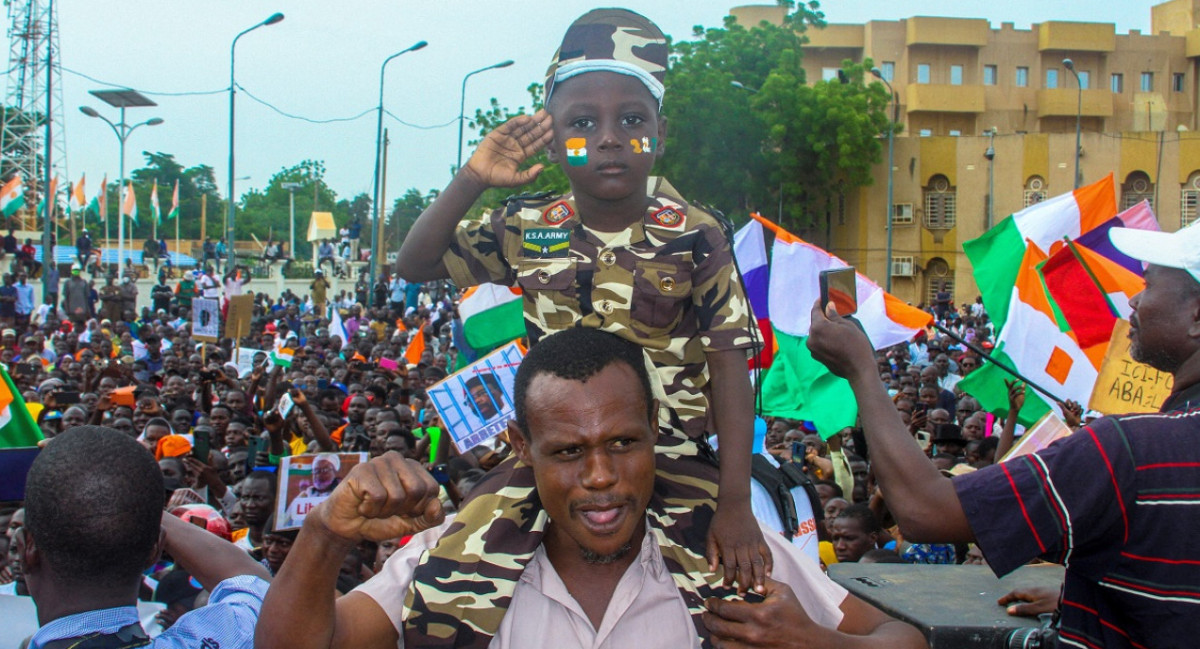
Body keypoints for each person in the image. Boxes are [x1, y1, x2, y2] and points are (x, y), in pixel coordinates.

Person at [393, 11, 768, 633]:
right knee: (446, 591)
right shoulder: (526, 223)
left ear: (660, 133)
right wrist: (473, 178)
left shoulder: (697, 232)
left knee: (735, 603)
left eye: (632, 120)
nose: (610, 138)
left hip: (666, 451)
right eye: (583, 124)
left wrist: (735, 501)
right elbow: (415, 262)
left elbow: (732, 370)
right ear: (556, 137)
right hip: (559, 455)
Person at [256, 327, 926, 648]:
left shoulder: (724, 558)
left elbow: (904, 640)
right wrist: (324, 533)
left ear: (655, 430)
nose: (602, 477)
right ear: (521, 447)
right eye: (569, 451)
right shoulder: (450, 557)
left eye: (624, 443)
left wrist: (815, 642)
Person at [807, 221, 1200, 647]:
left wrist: (862, 370)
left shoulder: (1131, 450)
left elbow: (923, 510)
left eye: (1148, 283)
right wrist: (1086, 593)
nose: (1135, 300)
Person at [17, 426, 271, 649]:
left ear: (24, 550)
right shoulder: (222, 638)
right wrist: (131, 502)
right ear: (155, 550)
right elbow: (255, 586)